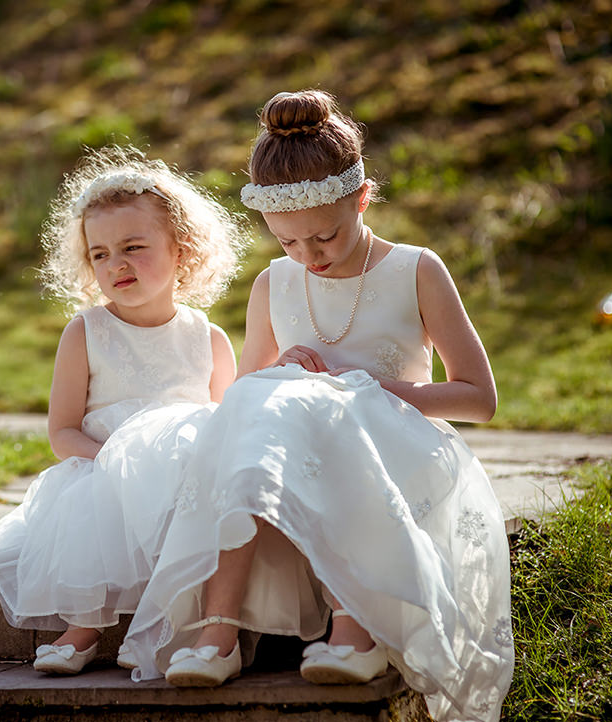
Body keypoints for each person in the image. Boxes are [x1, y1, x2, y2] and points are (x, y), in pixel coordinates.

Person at [123, 90, 513, 722]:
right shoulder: (274, 283)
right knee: (267, 400)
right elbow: (242, 402)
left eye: (326, 235)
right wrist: (283, 371)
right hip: (295, 454)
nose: (309, 255)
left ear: (362, 198)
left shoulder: (416, 269)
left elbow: (480, 399)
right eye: (288, 241)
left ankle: (354, 627)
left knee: (334, 409)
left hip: (394, 444)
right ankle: (218, 632)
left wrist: (367, 384)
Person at [0, 146, 249, 675]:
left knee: (204, 489)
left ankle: (173, 624)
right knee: (94, 511)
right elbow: (62, 431)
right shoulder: (87, 332)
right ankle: (83, 629)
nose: (116, 263)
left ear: (183, 251)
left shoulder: (208, 338)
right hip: (102, 468)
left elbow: (223, 425)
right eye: (99, 253)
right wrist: (115, 460)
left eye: (133, 247)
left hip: (182, 480)